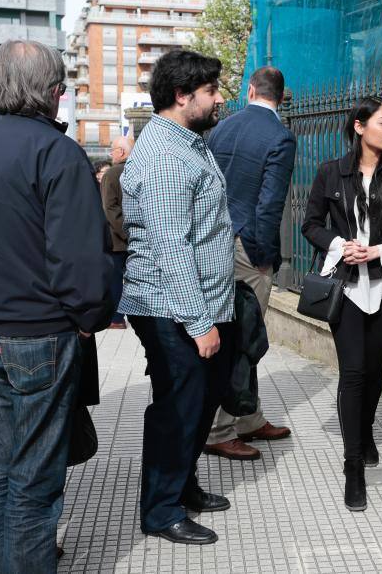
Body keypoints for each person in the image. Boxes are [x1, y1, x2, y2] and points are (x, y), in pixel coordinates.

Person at [0, 39, 114, 572]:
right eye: (62, 89)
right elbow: (79, 262)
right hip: (40, 337)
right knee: (32, 482)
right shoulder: (57, 153)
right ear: (53, 93)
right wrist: (86, 319)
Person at [118, 49, 234, 545]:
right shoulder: (166, 156)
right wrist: (198, 321)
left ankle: (182, 486)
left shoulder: (186, 142)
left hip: (195, 303)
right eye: (210, 90)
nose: (219, 97)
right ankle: (161, 511)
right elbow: (171, 246)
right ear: (182, 96)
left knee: (198, 401)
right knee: (177, 408)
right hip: (173, 308)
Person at [302, 97, 382, 511]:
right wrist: (339, 245)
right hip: (344, 287)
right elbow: (310, 223)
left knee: (376, 372)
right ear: (360, 126)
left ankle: (364, 432)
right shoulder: (332, 172)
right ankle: (353, 466)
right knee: (354, 372)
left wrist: (379, 251)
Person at [203, 66, 296, 461]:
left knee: (240, 334)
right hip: (248, 247)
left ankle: (248, 418)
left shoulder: (222, 127)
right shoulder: (280, 136)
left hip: (214, 240)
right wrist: (262, 256)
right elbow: (270, 204)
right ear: (281, 95)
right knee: (242, 337)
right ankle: (219, 429)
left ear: (251, 89)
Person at [101, 136, 134, 329]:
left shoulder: (112, 173)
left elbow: (109, 209)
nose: (111, 154)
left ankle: (116, 318)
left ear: (121, 152)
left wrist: (126, 232)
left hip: (116, 240)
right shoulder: (140, 169)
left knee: (114, 281)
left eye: (112, 150)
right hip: (135, 238)